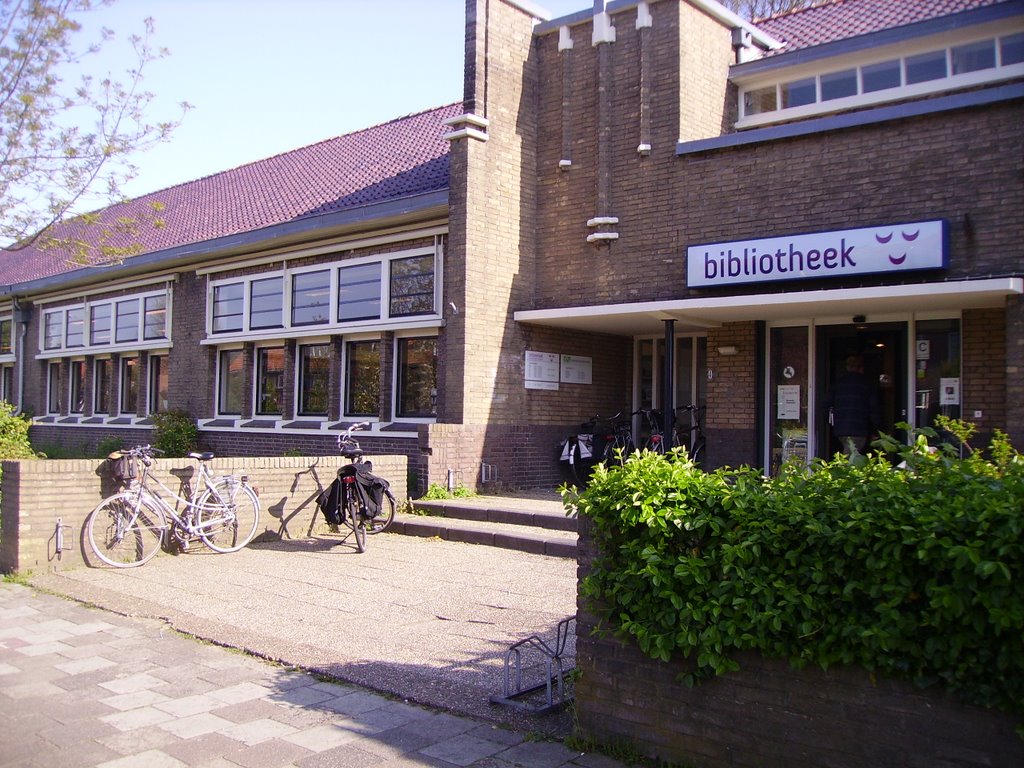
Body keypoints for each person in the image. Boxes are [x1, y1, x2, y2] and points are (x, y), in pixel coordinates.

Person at [825, 355, 880, 455]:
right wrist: (876, 429)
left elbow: (826, 404)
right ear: (861, 368)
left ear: (847, 367)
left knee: (850, 455)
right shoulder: (866, 384)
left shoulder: (837, 384)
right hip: (859, 429)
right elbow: (874, 409)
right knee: (851, 459)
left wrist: (830, 423)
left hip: (840, 429)